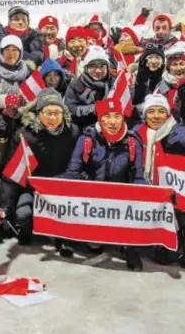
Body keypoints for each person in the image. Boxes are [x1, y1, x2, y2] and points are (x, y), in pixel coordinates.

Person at [62, 96, 145, 270]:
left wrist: (144, 195)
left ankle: (129, 248)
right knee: (94, 245)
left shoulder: (132, 142)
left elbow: (138, 175)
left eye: (117, 116)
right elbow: (73, 171)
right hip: (92, 195)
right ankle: (67, 238)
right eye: (107, 116)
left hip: (120, 197)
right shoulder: (87, 139)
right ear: (100, 119)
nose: (112, 121)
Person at [1, 88, 79, 254]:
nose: (52, 118)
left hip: (60, 188)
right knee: (23, 214)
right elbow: (11, 173)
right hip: (32, 188)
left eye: (57, 113)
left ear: (63, 113)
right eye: (48, 113)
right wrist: (6, 207)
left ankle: (62, 238)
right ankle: (26, 230)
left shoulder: (73, 133)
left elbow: (76, 165)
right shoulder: (23, 136)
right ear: (38, 112)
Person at [134, 94, 185, 268]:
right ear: (145, 115)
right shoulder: (137, 133)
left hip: (179, 194)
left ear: (168, 114)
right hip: (148, 190)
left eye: (161, 111)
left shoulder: (183, 133)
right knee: (164, 257)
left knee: (183, 214)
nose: (156, 116)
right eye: (151, 111)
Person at [0, 35, 36, 162]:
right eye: (7, 49)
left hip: (22, 126)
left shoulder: (29, 74)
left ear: (21, 52)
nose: (11, 53)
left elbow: (35, 102)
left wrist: (19, 111)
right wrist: (2, 101)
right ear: (0, 51)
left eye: (15, 49)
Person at [64, 46, 115, 130]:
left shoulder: (114, 82)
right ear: (86, 68)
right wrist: (95, 108)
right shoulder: (76, 84)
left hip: (110, 125)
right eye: (93, 66)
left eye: (102, 66)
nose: (98, 71)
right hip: (82, 125)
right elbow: (70, 108)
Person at [156, 41, 185, 120]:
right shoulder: (162, 87)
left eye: (182, 64)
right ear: (169, 69)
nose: (178, 68)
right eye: (174, 65)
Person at [132, 44, 166, 118]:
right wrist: (141, 81)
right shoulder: (132, 76)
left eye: (157, 58)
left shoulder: (166, 79)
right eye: (150, 57)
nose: (153, 61)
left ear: (162, 62)